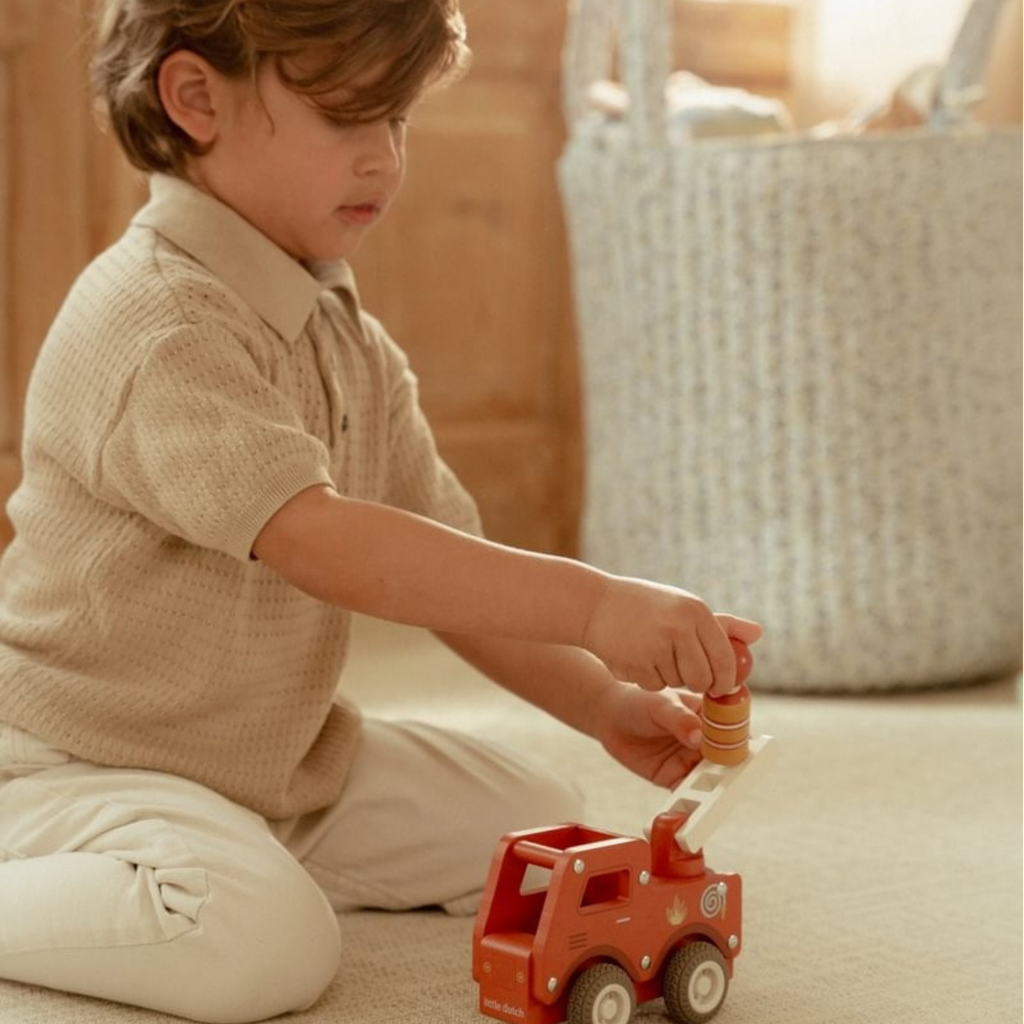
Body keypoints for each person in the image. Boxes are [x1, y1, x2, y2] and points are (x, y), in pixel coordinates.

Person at [0, 1, 762, 1021]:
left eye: (397, 119)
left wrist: (601, 704)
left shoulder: (334, 328)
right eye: (350, 118)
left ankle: (224, 850)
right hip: (82, 762)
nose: (386, 158)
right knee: (265, 949)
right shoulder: (159, 323)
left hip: (268, 760)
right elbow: (324, 542)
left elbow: (446, 560)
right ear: (196, 99)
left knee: (537, 825)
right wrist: (592, 605)